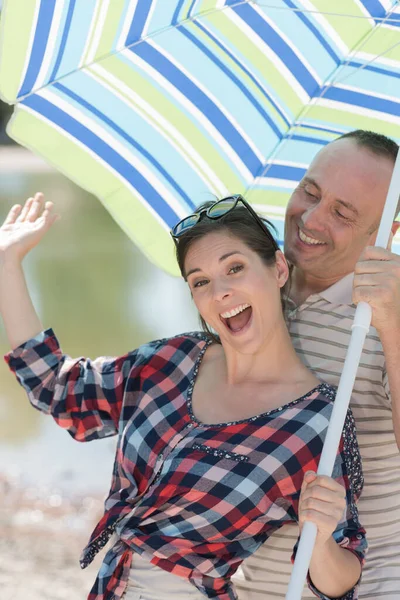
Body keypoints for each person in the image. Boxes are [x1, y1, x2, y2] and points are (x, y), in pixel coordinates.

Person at [0, 193, 366, 600]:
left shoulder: (316, 420)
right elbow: (58, 386)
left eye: (235, 268)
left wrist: (321, 536)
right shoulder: (169, 363)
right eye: (201, 281)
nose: (220, 291)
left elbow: (340, 581)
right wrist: (7, 264)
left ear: (278, 268)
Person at [233, 130, 400, 600]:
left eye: (342, 213)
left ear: (384, 232)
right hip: (249, 586)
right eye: (310, 191)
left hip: (369, 585)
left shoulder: (391, 311)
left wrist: (392, 323)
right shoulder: (256, 289)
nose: (310, 217)